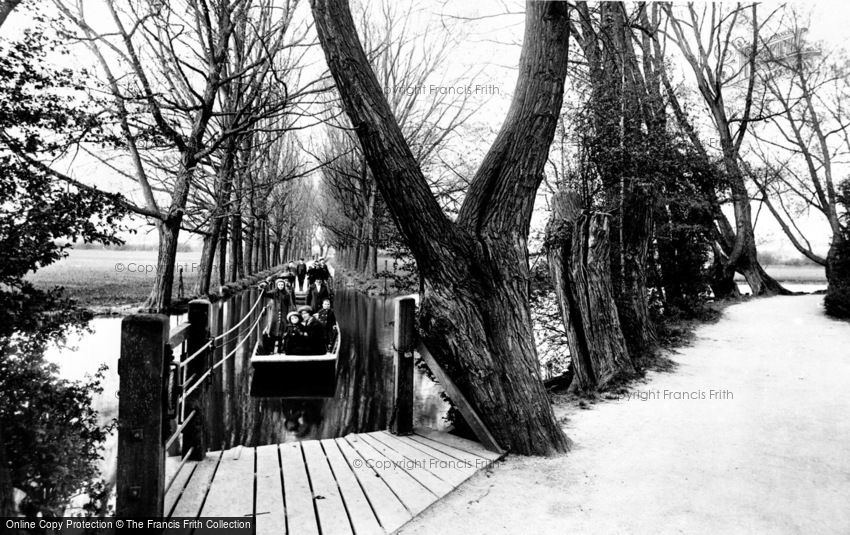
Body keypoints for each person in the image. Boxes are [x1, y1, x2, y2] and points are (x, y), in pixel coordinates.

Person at [259, 277, 294, 353]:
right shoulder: (274, 292)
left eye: (282, 285)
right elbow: (265, 294)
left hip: (284, 314)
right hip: (275, 314)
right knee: (273, 330)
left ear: (284, 285)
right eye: (279, 285)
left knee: (282, 330)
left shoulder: (287, 294)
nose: (281, 286)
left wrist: (289, 313)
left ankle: (280, 349)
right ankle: (271, 349)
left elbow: (290, 304)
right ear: (277, 285)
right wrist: (263, 287)